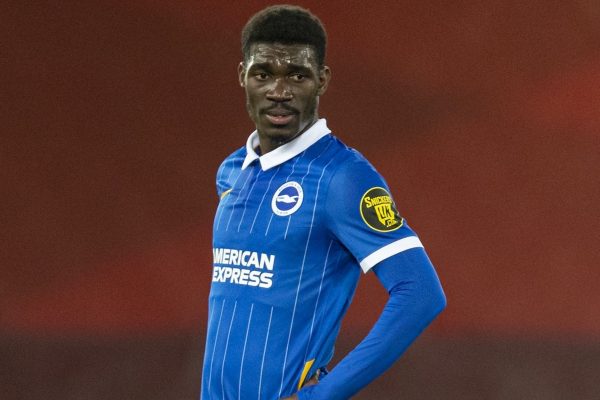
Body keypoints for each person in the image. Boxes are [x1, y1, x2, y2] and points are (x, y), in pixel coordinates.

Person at [201, 5, 446, 400]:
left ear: (322, 81)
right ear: (242, 76)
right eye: (263, 74)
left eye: (297, 75)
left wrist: (324, 394)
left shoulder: (343, 177)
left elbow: (420, 293)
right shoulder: (232, 170)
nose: (279, 92)